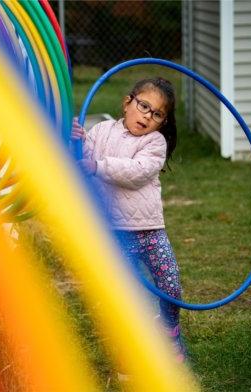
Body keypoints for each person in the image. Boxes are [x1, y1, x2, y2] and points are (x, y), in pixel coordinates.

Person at [71, 77, 187, 362]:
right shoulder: (100, 131)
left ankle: (168, 330)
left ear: (162, 123)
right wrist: (78, 139)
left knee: (170, 284)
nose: (148, 115)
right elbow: (84, 157)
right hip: (115, 233)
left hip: (149, 231)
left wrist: (98, 166)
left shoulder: (155, 143)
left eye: (157, 113)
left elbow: (137, 172)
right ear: (127, 103)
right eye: (144, 106)